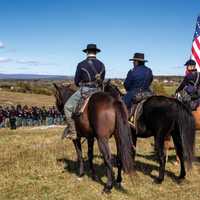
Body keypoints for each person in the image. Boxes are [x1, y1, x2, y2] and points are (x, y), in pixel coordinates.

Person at [63, 44, 106, 139]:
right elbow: (102, 80)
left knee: (67, 107)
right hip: (98, 91)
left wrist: (81, 84)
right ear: (96, 52)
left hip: (85, 90)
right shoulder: (102, 65)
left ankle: (73, 132)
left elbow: (76, 81)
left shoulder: (81, 64)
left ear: (87, 52)